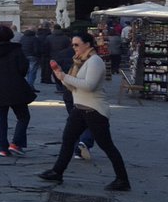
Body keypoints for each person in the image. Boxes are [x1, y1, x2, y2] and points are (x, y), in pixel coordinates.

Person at [39, 31, 130, 191]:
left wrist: (65, 77)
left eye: (76, 45)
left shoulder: (94, 61)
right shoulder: (79, 62)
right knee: (67, 140)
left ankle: (122, 179)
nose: (74, 48)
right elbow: (74, 86)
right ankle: (57, 171)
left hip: (94, 110)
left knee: (106, 145)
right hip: (79, 108)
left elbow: (89, 85)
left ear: (87, 44)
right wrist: (61, 75)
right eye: (72, 44)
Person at [0, 25, 33, 156]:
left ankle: (3, 148)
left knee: (0, 118)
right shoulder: (16, 50)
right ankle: (16, 143)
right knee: (23, 116)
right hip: (15, 87)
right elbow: (23, 69)